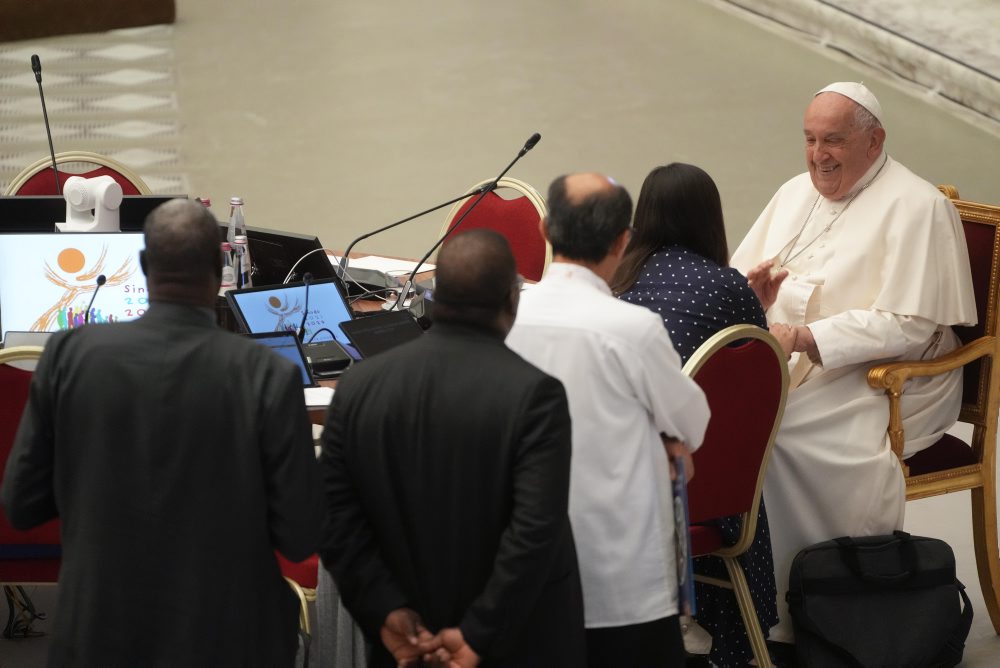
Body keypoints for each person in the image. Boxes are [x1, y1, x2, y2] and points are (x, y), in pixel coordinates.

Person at [1, 199, 321, 666]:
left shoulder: (67, 358)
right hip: (228, 639)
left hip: (97, 635)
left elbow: (21, 505)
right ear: (220, 267)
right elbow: (299, 535)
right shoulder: (267, 375)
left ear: (146, 265)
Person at [730, 82, 977, 643]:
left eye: (834, 141)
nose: (819, 156)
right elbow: (742, 275)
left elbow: (911, 326)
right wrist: (754, 298)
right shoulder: (796, 192)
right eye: (811, 140)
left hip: (897, 377)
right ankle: (743, 601)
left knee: (784, 436)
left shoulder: (920, 207)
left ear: (875, 140)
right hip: (803, 359)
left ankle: (817, 613)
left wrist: (804, 334)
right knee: (733, 420)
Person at [320, 229, 585, 667]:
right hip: (510, 646)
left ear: (434, 296)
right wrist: (477, 634)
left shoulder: (359, 387)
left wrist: (386, 612)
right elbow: (534, 532)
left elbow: (335, 518)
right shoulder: (536, 395)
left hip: (403, 645)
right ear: (511, 301)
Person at [506, 172, 710, 666]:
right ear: (623, 241)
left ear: (546, 231)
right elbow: (692, 423)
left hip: (525, 561)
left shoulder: (506, 318)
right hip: (621, 569)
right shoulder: (633, 330)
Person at [611, 162, 778, 667]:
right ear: (710, 219)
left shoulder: (618, 280)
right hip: (695, 490)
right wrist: (758, 302)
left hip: (618, 479)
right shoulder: (727, 286)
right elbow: (755, 372)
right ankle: (740, 640)